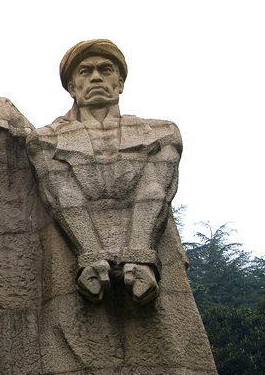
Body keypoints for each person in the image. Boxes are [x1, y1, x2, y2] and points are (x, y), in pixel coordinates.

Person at [27, 39, 181, 304]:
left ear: (119, 83)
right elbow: (62, 195)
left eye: (105, 70)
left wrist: (141, 257)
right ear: (73, 88)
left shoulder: (162, 133)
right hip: (82, 255)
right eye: (85, 72)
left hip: (143, 250)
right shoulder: (45, 139)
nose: (96, 77)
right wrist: (90, 257)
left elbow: (154, 192)